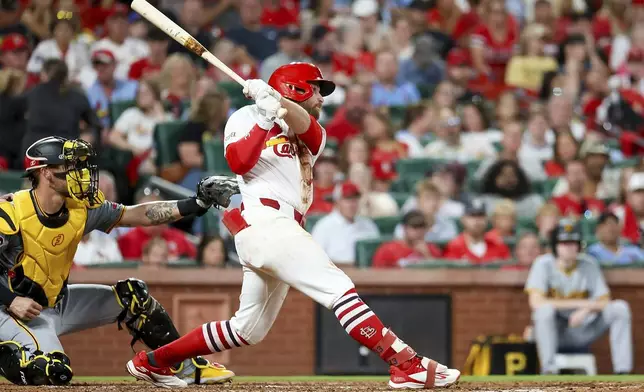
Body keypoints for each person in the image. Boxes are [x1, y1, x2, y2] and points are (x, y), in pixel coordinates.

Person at [128, 62, 461, 389]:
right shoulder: (244, 117)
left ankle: (155, 362)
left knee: (246, 330)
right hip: (264, 223)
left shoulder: (312, 129)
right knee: (339, 290)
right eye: (316, 89)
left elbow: (307, 127)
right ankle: (406, 365)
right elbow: (240, 163)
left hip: (282, 228)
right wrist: (262, 115)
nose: (321, 98)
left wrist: (276, 103)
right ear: (297, 87)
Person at [0, 136, 238, 386]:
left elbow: (137, 214)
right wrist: (12, 300)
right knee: (53, 371)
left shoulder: (81, 207)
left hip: (56, 302)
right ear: (46, 173)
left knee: (133, 297)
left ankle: (186, 366)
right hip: (11, 310)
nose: (80, 173)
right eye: (70, 167)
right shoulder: (11, 212)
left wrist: (194, 204)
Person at [525, 219, 633, 375]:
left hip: (582, 328)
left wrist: (586, 309)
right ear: (555, 245)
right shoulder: (543, 264)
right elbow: (536, 302)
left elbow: (604, 300)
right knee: (544, 311)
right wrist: (584, 303)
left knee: (620, 308)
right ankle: (548, 370)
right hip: (555, 331)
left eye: (573, 242)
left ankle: (622, 370)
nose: (569, 247)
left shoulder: (589, 264)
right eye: (564, 243)